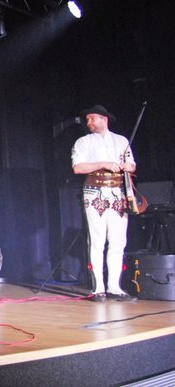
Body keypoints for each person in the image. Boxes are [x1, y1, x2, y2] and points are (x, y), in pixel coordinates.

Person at [71, 104, 137, 302]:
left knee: (118, 241)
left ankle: (114, 286)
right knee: (97, 239)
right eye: (87, 120)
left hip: (118, 193)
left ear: (104, 119)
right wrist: (103, 163)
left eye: (92, 118)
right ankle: (98, 287)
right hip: (95, 192)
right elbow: (78, 168)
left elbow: (132, 164)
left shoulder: (121, 141)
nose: (89, 123)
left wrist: (128, 166)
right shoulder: (83, 142)